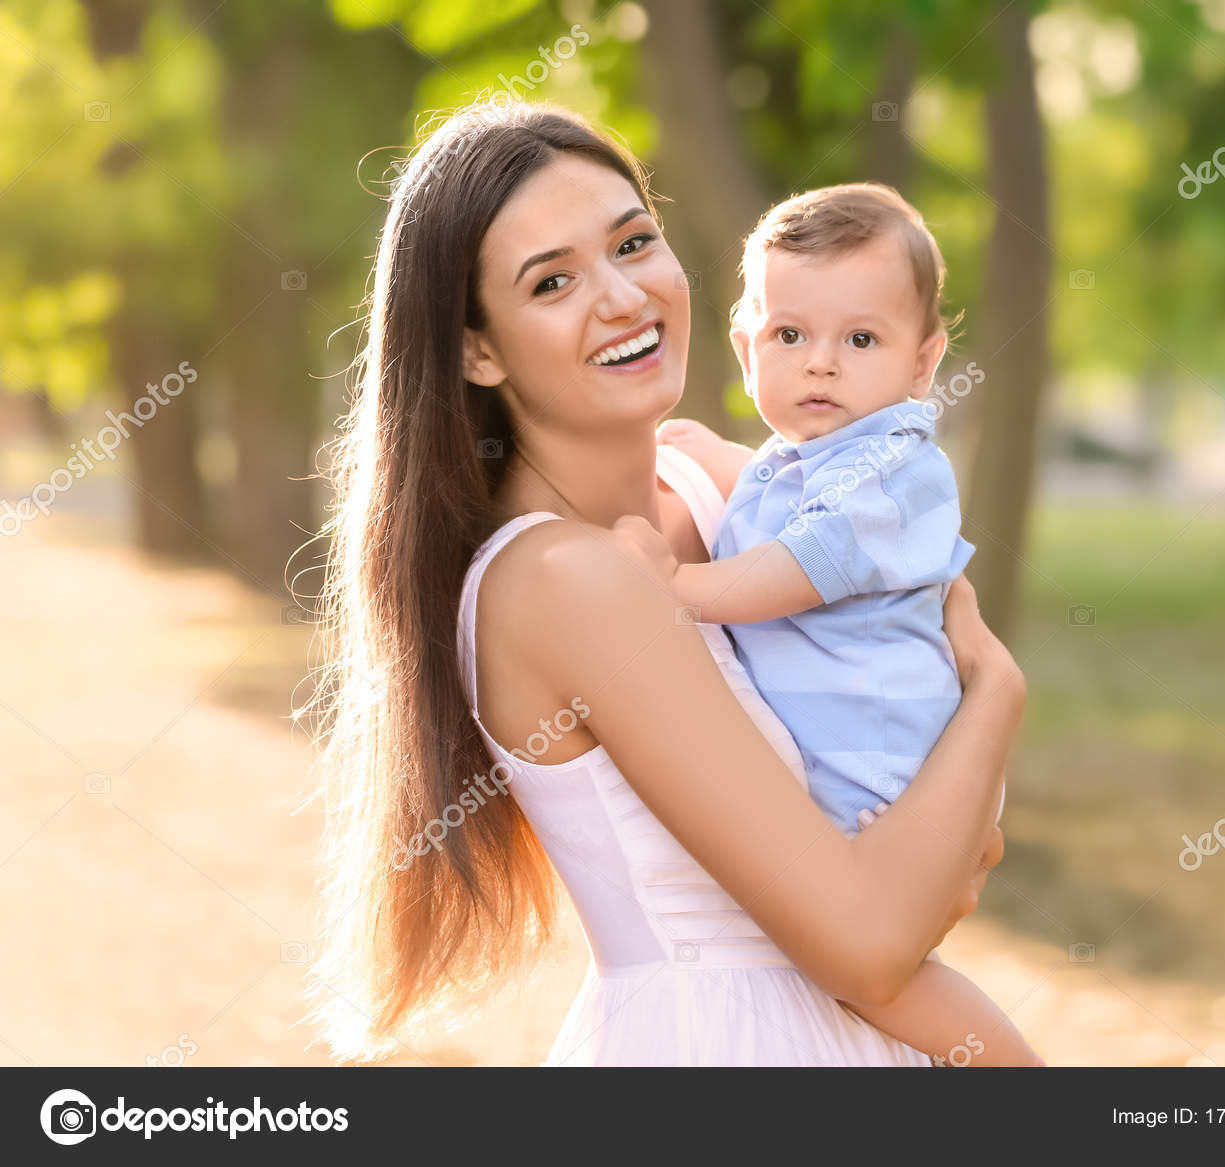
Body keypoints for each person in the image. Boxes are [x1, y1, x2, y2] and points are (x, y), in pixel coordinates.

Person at [303, 100, 1023, 1066]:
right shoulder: (567, 579)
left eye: (633, 242)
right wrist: (997, 699)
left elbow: (941, 846)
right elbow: (871, 939)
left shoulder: (713, 481)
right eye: (552, 281)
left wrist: (942, 837)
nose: (621, 297)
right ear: (477, 348)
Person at [616, 184, 1040, 1066]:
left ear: (923, 365)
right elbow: (788, 498)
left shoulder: (897, 465)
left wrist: (681, 586)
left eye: (860, 339)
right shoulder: (805, 459)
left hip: (889, 762)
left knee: (863, 960)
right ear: (746, 347)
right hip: (858, 750)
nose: (820, 363)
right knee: (840, 965)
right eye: (790, 335)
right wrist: (724, 457)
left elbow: (792, 571)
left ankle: (1010, 1067)